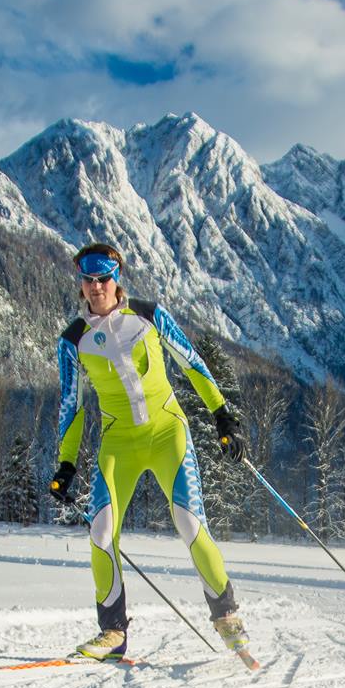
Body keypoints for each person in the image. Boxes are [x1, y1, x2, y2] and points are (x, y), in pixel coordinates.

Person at [48, 242, 249, 660]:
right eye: (88, 279)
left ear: (116, 277)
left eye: (103, 278)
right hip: (118, 442)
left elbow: (192, 362)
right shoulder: (73, 341)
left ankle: (226, 614)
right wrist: (66, 463)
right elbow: (71, 406)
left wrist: (222, 414)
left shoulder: (149, 315)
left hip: (166, 432)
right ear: (81, 285)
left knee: (189, 523)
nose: (96, 286)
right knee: (101, 532)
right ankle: (113, 633)